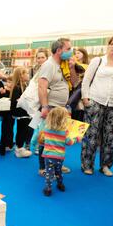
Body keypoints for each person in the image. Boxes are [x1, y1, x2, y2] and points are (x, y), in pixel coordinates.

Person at [81, 35, 113, 177]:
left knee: (111, 137)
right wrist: (85, 99)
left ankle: (105, 165)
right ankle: (87, 165)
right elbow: (86, 80)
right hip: (95, 101)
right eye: (111, 44)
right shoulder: (98, 61)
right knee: (91, 135)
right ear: (107, 45)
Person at [38, 38, 75, 176]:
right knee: (46, 138)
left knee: (59, 138)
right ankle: (43, 167)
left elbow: (74, 82)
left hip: (61, 108)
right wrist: (45, 106)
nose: (71, 51)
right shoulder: (49, 65)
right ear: (59, 50)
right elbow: (42, 86)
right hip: (51, 108)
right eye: (68, 48)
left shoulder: (64, 64)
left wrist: (72, 68)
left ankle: (58, 164)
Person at [38, 107, 81, 196]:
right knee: (58, 171)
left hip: (48, 156)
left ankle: (48, 188)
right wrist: (77, 139)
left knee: (49, 173)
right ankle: (60, 184)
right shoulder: (65, 132)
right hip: (59, 157)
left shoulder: (46, 129)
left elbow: (42, 141)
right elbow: (69, 142)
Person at [29, 48, 49, 154]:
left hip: (45, 99)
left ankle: (38, 146)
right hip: (35, 99)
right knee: (34, 123)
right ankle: (31, 144)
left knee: (43, 125)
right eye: (38, 57)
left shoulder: (50, 69)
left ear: (47, 58)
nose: (40, 60)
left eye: (43, 57)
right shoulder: (34, 69)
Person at [10, 67, 32, 158]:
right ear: (21, 75)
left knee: (24, 129)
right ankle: (19, 148)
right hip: (20, 111)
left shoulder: (25, 85)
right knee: (22, 129)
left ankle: (20, 146)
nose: (28, 75)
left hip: (25, 110)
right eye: (26, 73)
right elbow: (15, 101)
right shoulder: (17, 87)